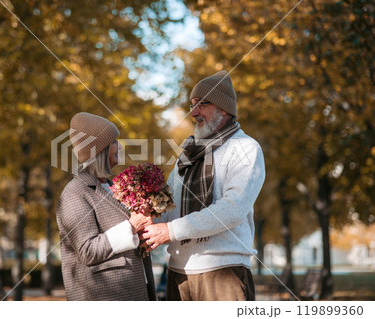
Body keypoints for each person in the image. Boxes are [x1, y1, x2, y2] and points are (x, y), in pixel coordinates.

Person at [140, 71, 265, 301]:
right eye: (191, 105)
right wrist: (149, 223)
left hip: (223, 273)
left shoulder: (246, 148)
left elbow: (233, 209)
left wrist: (170, 231)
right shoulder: (187, 156)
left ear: (223, 109)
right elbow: (169, 206)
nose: (193, 112)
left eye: (201, 104)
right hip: (179, 274)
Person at [56, 112, 156, 301]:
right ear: (99, 150)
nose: (119, 147)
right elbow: (87, 251)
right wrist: (131, 226)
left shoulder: (113, 187)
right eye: (114, 143)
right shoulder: (74, 193)